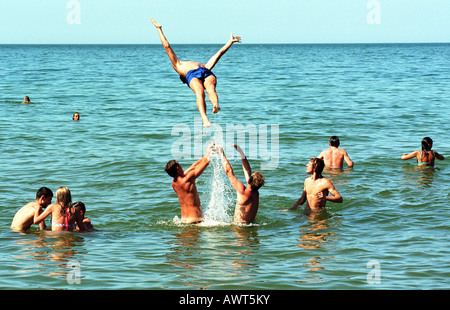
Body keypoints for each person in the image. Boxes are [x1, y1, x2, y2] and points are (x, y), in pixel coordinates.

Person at [151, 18, 241, 128]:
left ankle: (213, 108)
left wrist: (230, 42)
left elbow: (219, 54)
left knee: (206, 91)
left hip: (205, 71)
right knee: (203, 91)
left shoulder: (186, 65)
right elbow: (166, 46)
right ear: (182, 77)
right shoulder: (178, 66)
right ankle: (208, 115)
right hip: (197, 73)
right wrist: (159, 29)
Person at [165, 143, 215, 223]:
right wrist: (208, 148)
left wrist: (204, 157)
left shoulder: (174, 184)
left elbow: (193, 166)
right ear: (178, 168)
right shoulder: (188, 179)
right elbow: (206, 162)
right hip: (195, 221)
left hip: (183, 221)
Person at [219, 145, 265, 224]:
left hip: (240, 229)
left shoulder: (242, 191)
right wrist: (241, 153)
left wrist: (221, 153)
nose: (250, 175)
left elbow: (228, 172)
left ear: (249, 181)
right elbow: (247, 170)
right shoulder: (255, 192)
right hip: (251, 225)